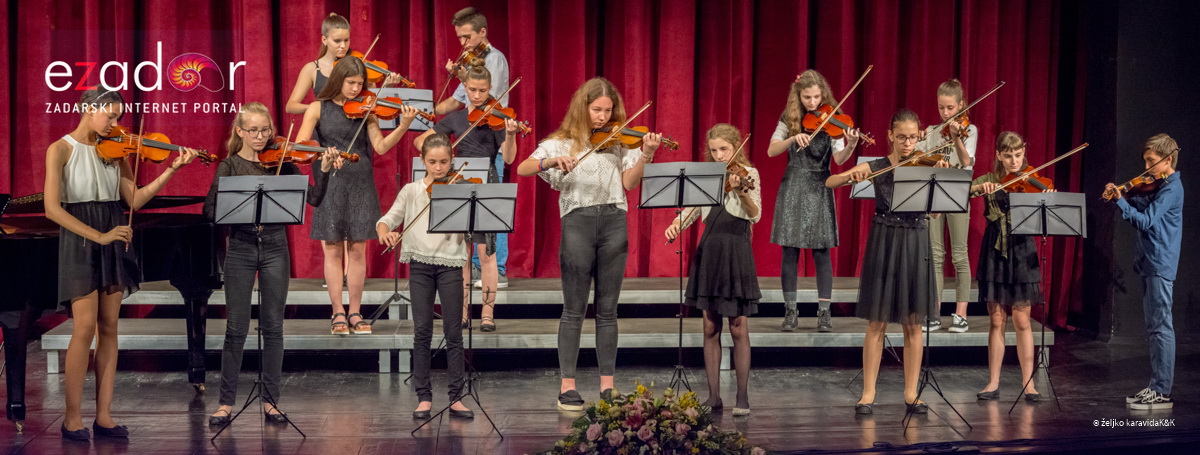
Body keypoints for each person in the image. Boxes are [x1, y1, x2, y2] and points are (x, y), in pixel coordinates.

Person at [44, 88, 199, 439]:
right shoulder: (61, 149)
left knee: (110, 328)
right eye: (110, 116)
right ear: (88, 108)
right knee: (84, 328)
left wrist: (172, 169)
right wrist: (97, 236)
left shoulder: (117, 150)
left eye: (118, 117)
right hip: (82, 237)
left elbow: (135, 199)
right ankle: (71, 419)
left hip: (113, 230)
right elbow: (53, 208)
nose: (115, 124)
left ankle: (104, 416)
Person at [517, 77, 661, 411]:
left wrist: (646, 155)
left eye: (608, 110)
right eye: (597, 110)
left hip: (613, 221)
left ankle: (608, 386)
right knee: (574, 309)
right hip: (578, 222)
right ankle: (567, 385)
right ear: (583, 107)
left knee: (608, 310)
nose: (603, 116)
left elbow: (628, 182)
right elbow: (524, 167)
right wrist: (551, 161)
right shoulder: (561, 142)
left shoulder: (619, 141)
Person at [204, 103, 339, 426]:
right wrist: (234, 205)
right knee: (236, 327)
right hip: (240, 246)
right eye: (254, 130)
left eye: (266, 129)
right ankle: (225, 403)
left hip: (276, 246)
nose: (262, 136)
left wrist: (324, 169)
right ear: (240, 132)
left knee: (273, 327)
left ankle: (271, 401)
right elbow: (209, 211)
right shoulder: (230, 166)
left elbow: (315, 198)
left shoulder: (284, 162)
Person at [826, 108, 943, 415]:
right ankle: (868, 392)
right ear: (891, 136)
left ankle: (910, 392)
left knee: (913, 323)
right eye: (902, 137)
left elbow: (938, 212)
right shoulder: (876, 165)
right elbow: (830, 182)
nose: (908, 143)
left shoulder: (926, 166)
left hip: (916, 238)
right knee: (876, 321)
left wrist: (937, 187)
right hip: (885, 238)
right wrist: (853, 173)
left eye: (913, 138)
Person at [297, 56, 419, 336]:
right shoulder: (317, 108)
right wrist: (325, 154)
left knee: (357, 249)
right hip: (330, 182)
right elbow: (303, 147)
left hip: (361, 183)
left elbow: (381, 146)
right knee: (333, 247)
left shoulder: (368, 110)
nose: (356, 89)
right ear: (338, 79)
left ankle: (354, 310)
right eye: (351, 83)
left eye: (360, 84)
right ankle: (336, 311)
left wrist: (402, 125)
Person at [664, 124, 760, 416]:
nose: (719, 155)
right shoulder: (707, 176)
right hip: (710, 251)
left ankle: (742, 397)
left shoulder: (749, 174)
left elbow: (755, 213)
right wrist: (676, 225)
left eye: (725, 150)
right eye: (715, 150)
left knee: (738, 327)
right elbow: (694, 209)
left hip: (735, 251)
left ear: (735, 147)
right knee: (709, 327)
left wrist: (742, 191)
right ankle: (714, 397)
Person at [414, 66, 518, 332]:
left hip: (487, 184)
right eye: (472, 90)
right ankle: (461, 313)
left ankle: (487, 312)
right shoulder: (456, 118)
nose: (478, 95)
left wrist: (509, 134)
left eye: (483, 91)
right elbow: (420, 143)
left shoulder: (497, 117)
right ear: (465, 89)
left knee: (486, 254)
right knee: (460, 255)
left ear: (490, 89)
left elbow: (508, 158)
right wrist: (440, 147)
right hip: (458, 184)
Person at [378, 133, 474, 419]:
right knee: (422, 332)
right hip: (420, 265)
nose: (438, 168)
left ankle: (456, 396)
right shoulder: (412, 190)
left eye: (444, 162)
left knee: (453, 332)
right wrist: (385, 232)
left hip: (451, 265)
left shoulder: (460, 188)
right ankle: (424, 396)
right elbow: (388, 219)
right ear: (422, 161)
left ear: (451, 161)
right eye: (432, 162)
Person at [767, 70, 861, 332]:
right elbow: (771, 150)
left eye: (816, 96)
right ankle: (790, 312)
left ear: (823, 94)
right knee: (789, 251)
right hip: (793, 185)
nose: (812, 102)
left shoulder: (833, 119)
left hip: (820, 185)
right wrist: (791, 137)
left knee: (822, 251)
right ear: (799, 95)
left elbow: (840, 159)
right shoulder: (789, 118)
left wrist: (851, 144)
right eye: (807, 97)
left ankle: (824, 313)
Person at [435, 6, 514, 288]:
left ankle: (498, 268)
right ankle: (477, 270)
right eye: (459, 38)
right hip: (469, 140)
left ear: (482, 32)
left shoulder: (494, 59)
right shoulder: (470, 62)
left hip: (491, 136)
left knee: (493, 211)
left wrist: (463, 75)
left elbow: (486, 95)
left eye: (467, 37)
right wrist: (431, 111)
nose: (463, 44)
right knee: (471, 213)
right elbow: (458, 101)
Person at [970, 132, 1050, 403]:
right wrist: (980, 189)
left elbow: (1047, 214)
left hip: (1022, 250)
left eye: (1018, 155)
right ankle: (993, 382)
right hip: (994, 250)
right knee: (996, 320)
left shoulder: (1033, 179)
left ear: (1024, 151)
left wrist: (1046, 197)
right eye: (1008, 156)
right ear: (998, 155)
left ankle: (1029, 384)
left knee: (1022, 320)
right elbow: (964, 192)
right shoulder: (988, 180)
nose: (1014, 161)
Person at [1106, 134, 1183, 410]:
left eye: (1151, 162)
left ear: (1167, 159)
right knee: (1154, 328)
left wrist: (1121, 201)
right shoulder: (1161, 186)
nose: (1147, 168)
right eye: (1146, 161)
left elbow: (1146, 221)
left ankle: (1162, 390)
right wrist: (1123, 193)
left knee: (1161, 328)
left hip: (1161, 263)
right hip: (1151, 262)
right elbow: (1147, 207)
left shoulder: (1172, 188)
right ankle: (1156, 386)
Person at [918, 78, 978, 333]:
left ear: (961, 105)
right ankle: (934, 312)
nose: (945, 113)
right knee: (935, 255)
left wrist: (956, 139)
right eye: (941, 107)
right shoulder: (932, 131)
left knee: (960, 255)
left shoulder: (970, 130)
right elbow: (917, 159)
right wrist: (918, 141)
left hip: (957, 193)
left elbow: (966, 162)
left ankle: (960, 314)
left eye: (950, 108)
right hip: (934, 196)